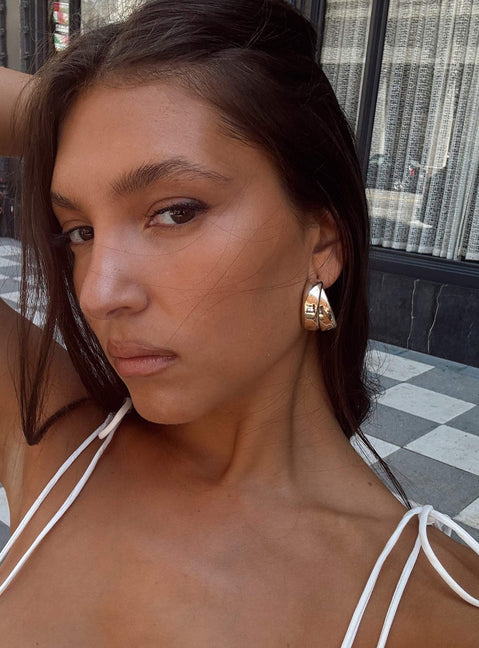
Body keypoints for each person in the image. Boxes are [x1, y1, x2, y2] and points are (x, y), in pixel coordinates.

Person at [0, 0, 477, 645]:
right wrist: (63, 110)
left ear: (322, 243)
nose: (98, 291)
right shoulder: (59, 449)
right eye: (79, 231)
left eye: (175, 212)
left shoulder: (438, 610)